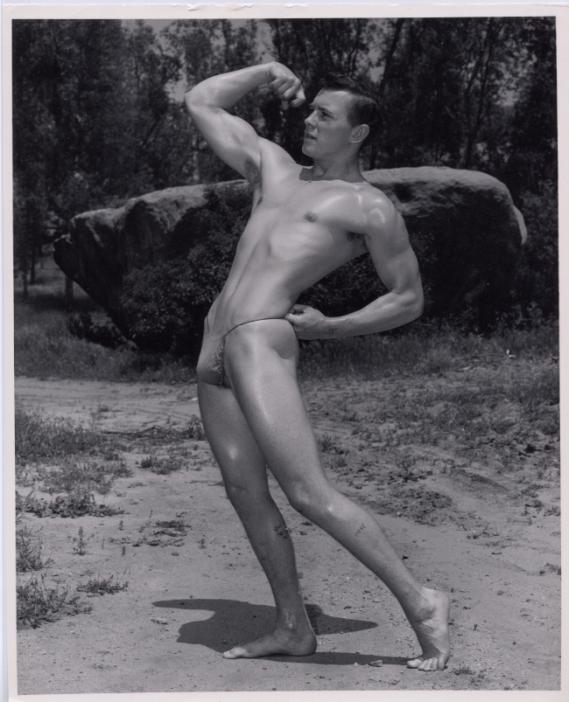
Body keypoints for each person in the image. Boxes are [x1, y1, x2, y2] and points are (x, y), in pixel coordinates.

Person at [184, 61, 450, 672]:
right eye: (311, 110)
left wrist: (335, 326)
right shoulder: (273, 168)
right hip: (214, 344)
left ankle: (422, 602)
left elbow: (407, 297)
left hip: (260, 340)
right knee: (245, 491)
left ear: (357, 133)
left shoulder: (369, 207)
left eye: (325, 115)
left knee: (308, 493)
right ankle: (292, 627)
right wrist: (265, 70)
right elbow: (200, 101)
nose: (309, 120)